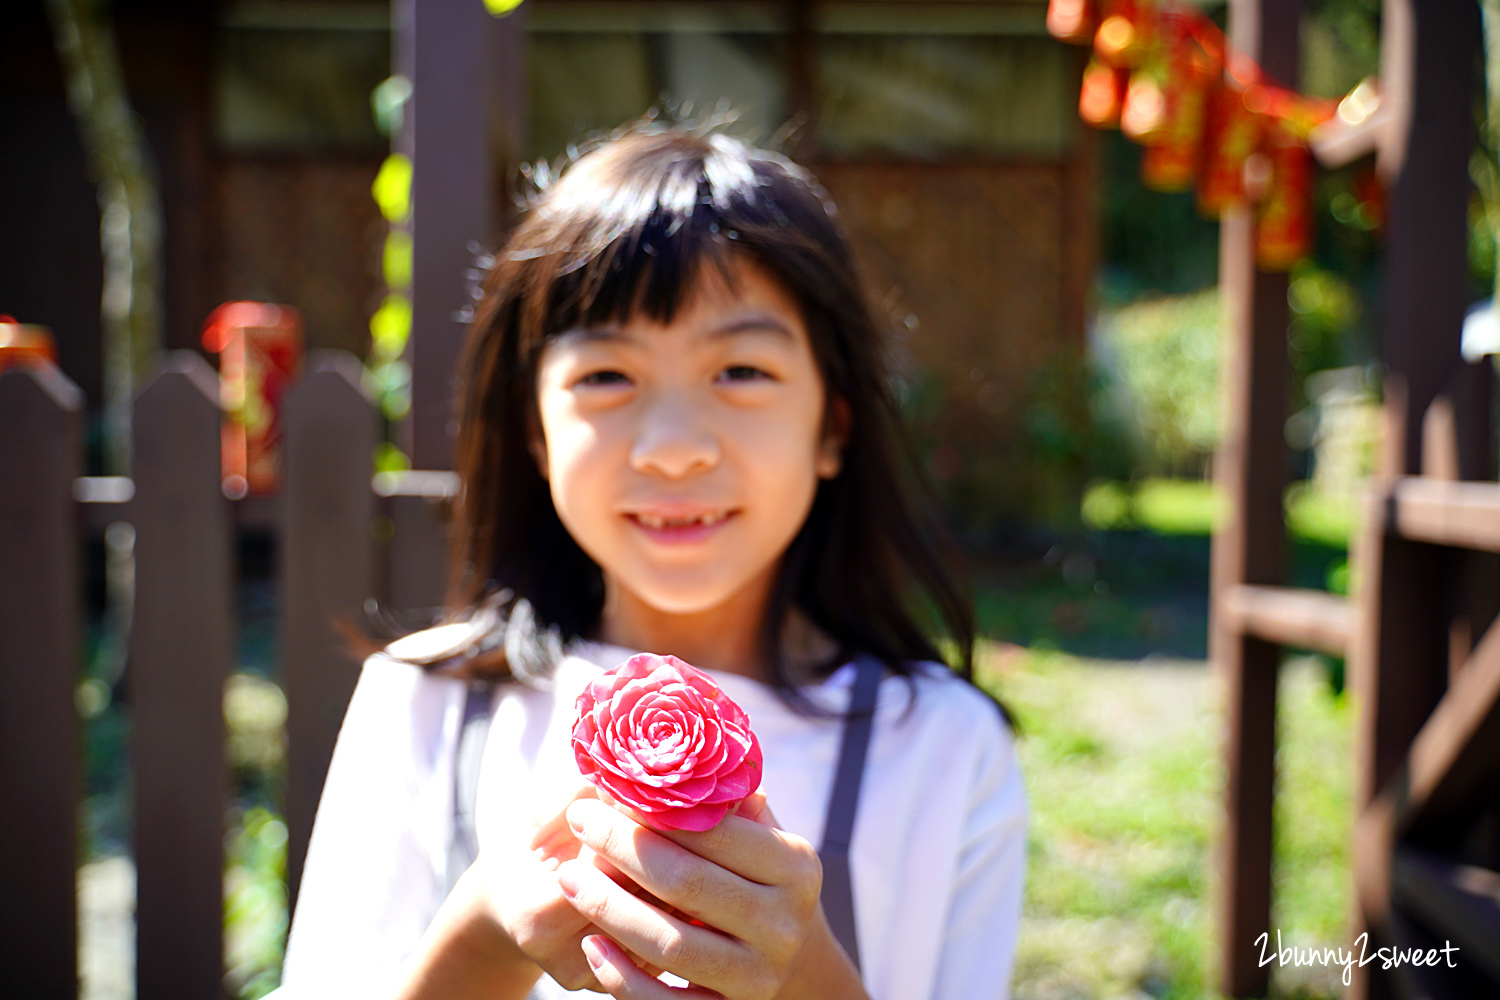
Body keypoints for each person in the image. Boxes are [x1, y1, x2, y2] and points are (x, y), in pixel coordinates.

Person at [276, 121, 1026, 1000]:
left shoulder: (941, 745)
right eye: (606, 377)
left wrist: (806, 976)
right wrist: (481, 936)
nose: (673, 450)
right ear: (535, 433)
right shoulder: (429, 704)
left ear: (833, 425)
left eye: (741, 370)